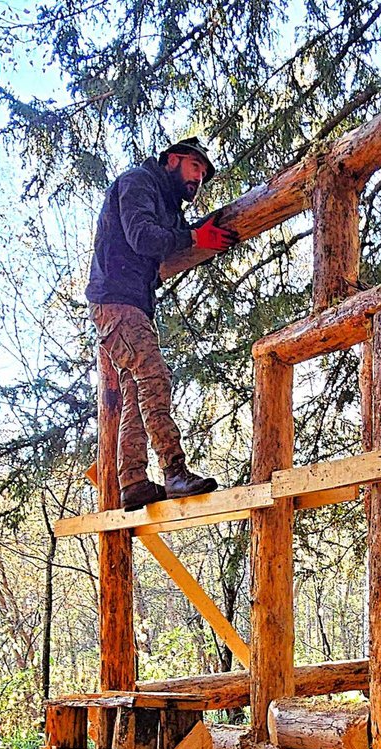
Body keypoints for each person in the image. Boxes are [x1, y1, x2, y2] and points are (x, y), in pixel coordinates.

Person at [86, 138, 235, 510]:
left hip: (126, 303)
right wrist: (195, 237)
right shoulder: (138, 182)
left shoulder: (166, 203)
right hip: (117, 302)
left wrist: (196, 235)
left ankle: (133, 481)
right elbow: (143, 238)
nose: (199, 177)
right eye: (194, 166)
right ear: (171, 160)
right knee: (154, 376)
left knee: (135, 391)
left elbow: (174, 238)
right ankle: (175, 471)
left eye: (203, 172)